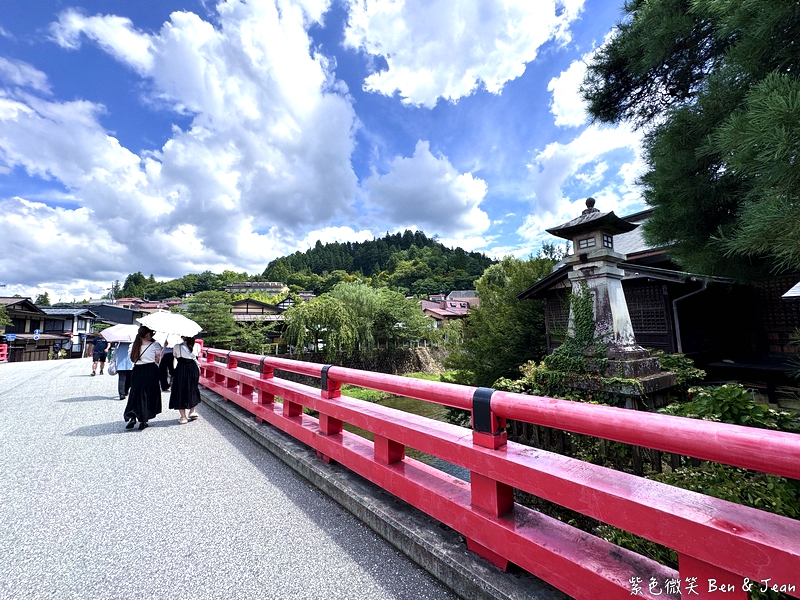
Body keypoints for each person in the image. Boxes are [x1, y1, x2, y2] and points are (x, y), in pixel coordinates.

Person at [123, 326, 163, 431]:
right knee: (147, 394)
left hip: (137, 370)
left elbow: (132, 359)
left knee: (135, 393)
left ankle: (132, 416)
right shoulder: (154, 345)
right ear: (148, 334)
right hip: (150, 370)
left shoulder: (133, 346)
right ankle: (143, 420)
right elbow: (158, 359)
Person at [169, 336, 201, 424]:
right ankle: (192, 411)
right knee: (192, 388)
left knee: (180, 390)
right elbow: (198, 355)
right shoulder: (197, 345)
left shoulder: (177, 346)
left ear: (182, 337)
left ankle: (183, 417)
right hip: (193, 369)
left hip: (181, 369)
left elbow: (175, 356)